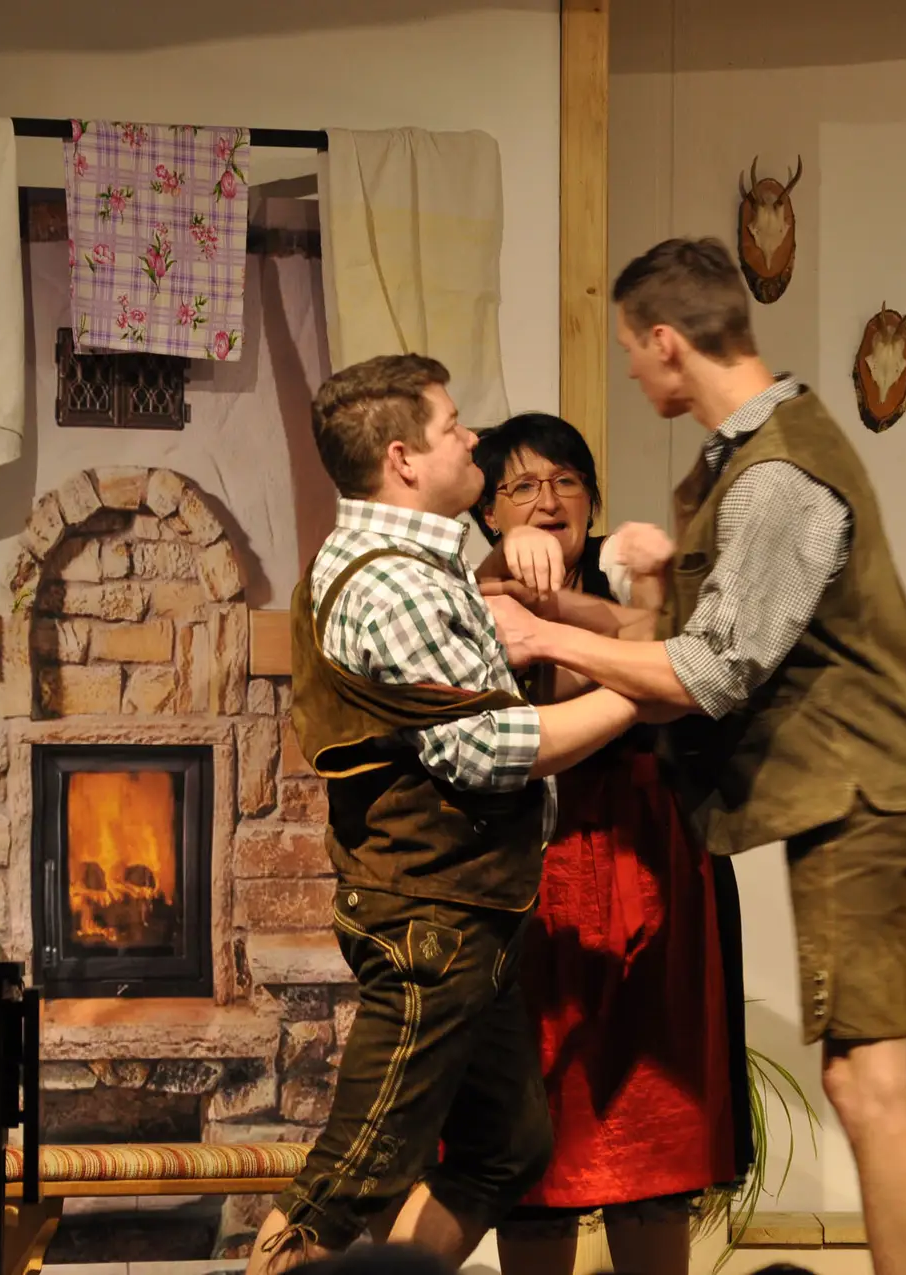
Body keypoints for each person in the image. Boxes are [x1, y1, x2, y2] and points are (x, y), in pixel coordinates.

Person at [483, 238, 906, 1275]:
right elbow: (679, 635)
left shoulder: (776, 476)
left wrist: (544, 634)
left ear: (666, 342)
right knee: (876, 1079)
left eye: (630, 350)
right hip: (854, 792)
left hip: (860, 793)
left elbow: (710, 671)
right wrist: (567, 608)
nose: (630, 371)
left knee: (865, 1082)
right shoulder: (744, 460)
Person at [249, 355, 664, 1274]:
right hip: (430, 919)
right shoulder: (395, 582)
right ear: (402, 459)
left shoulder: (415, 566)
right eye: (452, 426)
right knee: (349, 1175)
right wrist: (646, 691)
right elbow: (487, 749)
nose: (472, 436)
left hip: (471, 913)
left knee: (504, 1147)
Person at [465, 413, 752, 1275]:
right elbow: (597, 682)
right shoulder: (471, 585)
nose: (548, 500)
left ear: (591, 500)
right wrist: (626, 627)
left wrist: (615, 607)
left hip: (653, 866)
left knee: (655, 1133)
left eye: (567, 481)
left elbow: (683, 667)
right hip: (536, 870)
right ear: (487, 510)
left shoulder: (630, 576)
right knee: (535, 1136)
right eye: (522, 485)